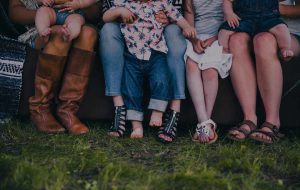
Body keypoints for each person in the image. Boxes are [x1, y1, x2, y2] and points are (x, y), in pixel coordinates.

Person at [102, 0, 196, 138]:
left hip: (155, 52)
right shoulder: (125, 3)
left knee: (161, 80)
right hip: (132, 54)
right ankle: (136, 126)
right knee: (131, 89)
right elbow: (105, 17)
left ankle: (158, 112)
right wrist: (119, 11)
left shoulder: (161, 3)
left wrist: (187, 27)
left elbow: (177, 15)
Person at [9, 0, 99, 135]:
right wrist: (46, 14)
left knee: (88, 34)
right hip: (41, 26)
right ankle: (40, 108)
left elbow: (95, 14)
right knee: (57, 34)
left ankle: (68, 110)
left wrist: (75, 4)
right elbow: (14, 12)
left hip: (76, 21)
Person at [225, 0, 300, 143]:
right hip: (252, 25)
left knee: (263, 40)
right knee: (236, 40)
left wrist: (272, 7)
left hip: (289, 34)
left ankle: (272, 122)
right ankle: (249, 118)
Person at [184, 0, 232, 143]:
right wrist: (194, 40)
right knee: (191, 64)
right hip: (197, 38)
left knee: (210, 69)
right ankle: (204, 121)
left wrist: (214, 39)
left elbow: (230, 23)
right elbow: (189, 25)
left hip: (219, 38)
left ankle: (205, 121)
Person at [218, 0, 294, 60]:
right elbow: (227, 1)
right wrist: (229, 13)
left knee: (281, 27)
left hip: (268, 18)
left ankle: (285, 48)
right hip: (243, 19)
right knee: (224, 31)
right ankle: (224, 51)